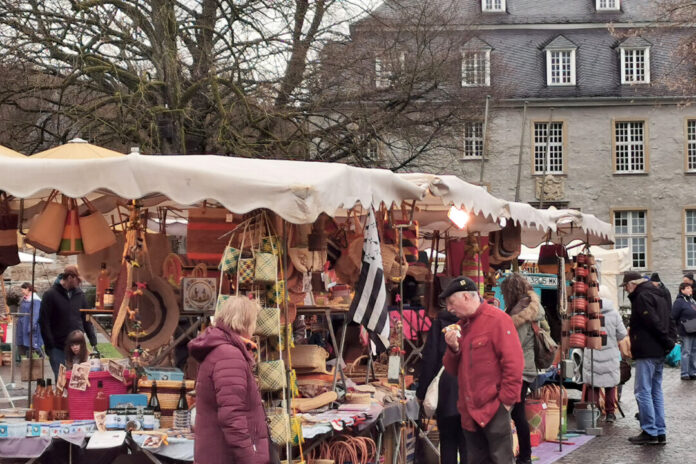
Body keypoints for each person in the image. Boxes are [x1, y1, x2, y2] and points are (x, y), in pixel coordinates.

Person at [442, 276, 523, 464]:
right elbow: (452, 369)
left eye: (451, 303)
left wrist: (506, 402)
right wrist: (453, 349)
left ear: (466, 298)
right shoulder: (462, 327)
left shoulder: (497, 320)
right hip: (469, 411)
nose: (449, 309)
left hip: (494, 407)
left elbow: (514, 363)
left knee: (501, 460)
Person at [188, 296, 270, 464]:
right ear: (246, 322)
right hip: (225, 456)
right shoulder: (229, 355)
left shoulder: (221, 350)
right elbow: (232, 416)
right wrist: (250, 459)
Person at [622, 271, 675, 445]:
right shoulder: (659, 293)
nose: (626, 291)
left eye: (625, 287)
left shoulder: (642, 296)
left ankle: (650, 430)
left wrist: (667, 341)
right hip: (658, 349)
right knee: (655, 391)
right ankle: (660, 431)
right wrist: (669, 342)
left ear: (631, 284)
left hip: (648, 349)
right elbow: (669, 319)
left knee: (642, 391)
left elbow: (653, 322)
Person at [500, 273, 545, 464]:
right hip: (526, 367)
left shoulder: (522, 312)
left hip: (519, 368)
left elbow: (513, 342)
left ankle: (523, 456)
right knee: (517, 412)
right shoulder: (527, 307)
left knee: (513, 412)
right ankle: (523, 456)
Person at [416, 309, 466, 464]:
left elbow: (429, 360)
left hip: (445, 392)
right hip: (468, 393)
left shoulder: (439, 323)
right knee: (467, 444)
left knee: (448, 441)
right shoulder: (472, 323)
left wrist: (421, 392)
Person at [38, 265, 97, 379]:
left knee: (79, 381)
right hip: (57, 347)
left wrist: (93, 341)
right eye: (78, 280)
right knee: (62, 380)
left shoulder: (80, 295)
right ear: (70, 278)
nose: (79, 284)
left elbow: (86, 319)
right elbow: (43, 321)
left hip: (78, 346)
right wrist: (50, 345)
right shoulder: (50, 294)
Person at [582, 286, 628, 423]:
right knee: (610, 385)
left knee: (593, 385)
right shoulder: (614, 313)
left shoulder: (588, 312)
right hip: (610, 354)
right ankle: (610, 413)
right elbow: (622, 333)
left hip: (592, 353)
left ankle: (593, 412)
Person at [671, 282, 696, 380]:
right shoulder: (679, 302)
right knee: (686, 351)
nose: (690, 290)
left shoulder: (692, 301)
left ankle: (693, 371)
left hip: (694, 329)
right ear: (682, 290)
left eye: (691, 288)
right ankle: (684, 373)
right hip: (685, 330)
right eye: (688, 288)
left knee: (694, 351)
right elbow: (673, 316)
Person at [16, 283, 43, 360]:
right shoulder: (25, 299)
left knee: (34, 343)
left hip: (30, 324)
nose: (22, 291)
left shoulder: (35, 299)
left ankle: (41, 359)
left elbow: (36, 313)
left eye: (23, 290)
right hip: (23, 324)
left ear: (28, 288)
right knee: (26, 344)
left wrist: (32, 324)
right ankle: (29, 362)